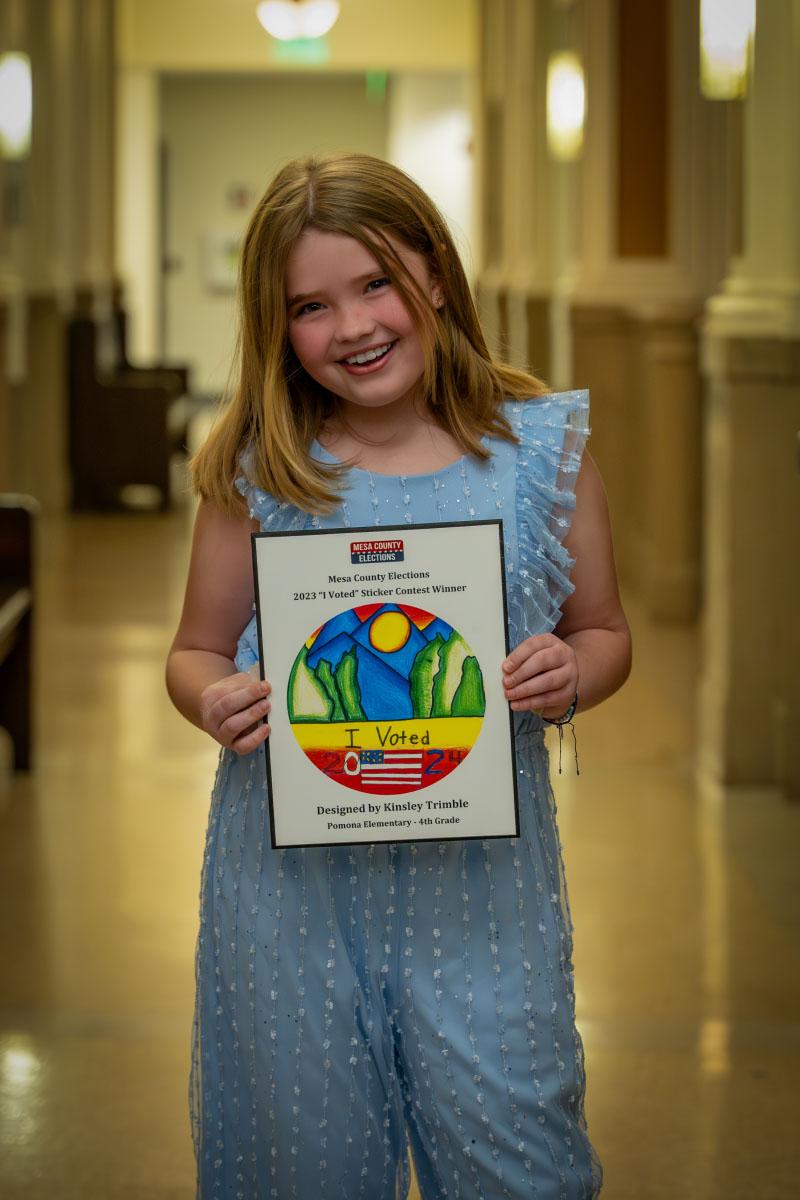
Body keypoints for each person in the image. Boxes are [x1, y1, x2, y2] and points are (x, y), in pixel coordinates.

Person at [166, 152, 631, 1200]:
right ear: (275, 328)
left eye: (374, 282)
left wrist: (570, 673)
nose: (353, 326)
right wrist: (211, 695)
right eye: (310, 306)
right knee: (306, 1161)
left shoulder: (536, 458)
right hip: (287, 889)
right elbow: (195, 648)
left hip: (481, 892)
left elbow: (603, 630)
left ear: (432, 274)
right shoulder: (258, 470)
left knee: (515, 1148)